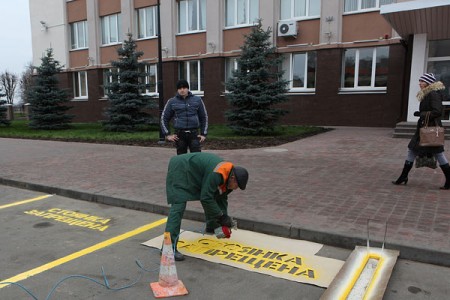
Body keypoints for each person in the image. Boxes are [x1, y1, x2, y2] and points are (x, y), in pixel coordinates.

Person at [164, 152, 249, 261]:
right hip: (181, 168)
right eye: (237, 185)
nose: (236, 188)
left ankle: (212, 226)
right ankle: (168, 249)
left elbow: (221, 199)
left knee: (215, 197)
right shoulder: (218, 174)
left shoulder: (228, 180)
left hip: (194, 172)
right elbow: (206, 198)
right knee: (178, 207)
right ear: (233, 178)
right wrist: (222, 217)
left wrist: (222, 224)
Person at [392, 73, 450, 189]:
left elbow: (437, 111)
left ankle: (449, 179)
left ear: (428, 83)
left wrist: (422, 114)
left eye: (422, 81)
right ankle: (404, 176)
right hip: (424, 128)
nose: (420, 83)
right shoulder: (427, 93)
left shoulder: (433, 94)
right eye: (420, 81)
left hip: (430, 130)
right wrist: (421, 115)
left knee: (438, 153)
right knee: (412, 149)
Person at [161, 79, 208, 155]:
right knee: (182, 159)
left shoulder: (197, 100)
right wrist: (167, 134)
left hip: (194, 134)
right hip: (179, 135)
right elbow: (164, 118)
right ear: (177, 90)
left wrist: (203, 134)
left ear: (188, 88)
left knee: (196, 157)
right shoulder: (172, 102)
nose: (182, 90)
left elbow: (204, 117)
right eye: (179, 88)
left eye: (184, 88)